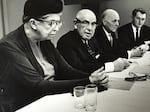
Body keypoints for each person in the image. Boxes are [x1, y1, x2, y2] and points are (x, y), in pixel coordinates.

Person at [0, 0, 108, 111]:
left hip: (49, 101)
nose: (56, 28)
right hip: (25, 107)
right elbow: (39, 86)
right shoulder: (8, 46)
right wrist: (89, 81)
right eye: (51, 23)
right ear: (33, 23)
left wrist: (94, 78)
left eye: (58, 22)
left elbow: (66, 70)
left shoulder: (44, 40)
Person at [57, 9, 130, 73]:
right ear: (75, 24)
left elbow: (100, 57)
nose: (90, 28)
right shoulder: (66, 42)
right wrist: (112, 66)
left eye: (93, 24)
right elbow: (79, 68)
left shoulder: (92, 40)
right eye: (85, 23)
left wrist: (119, 60)